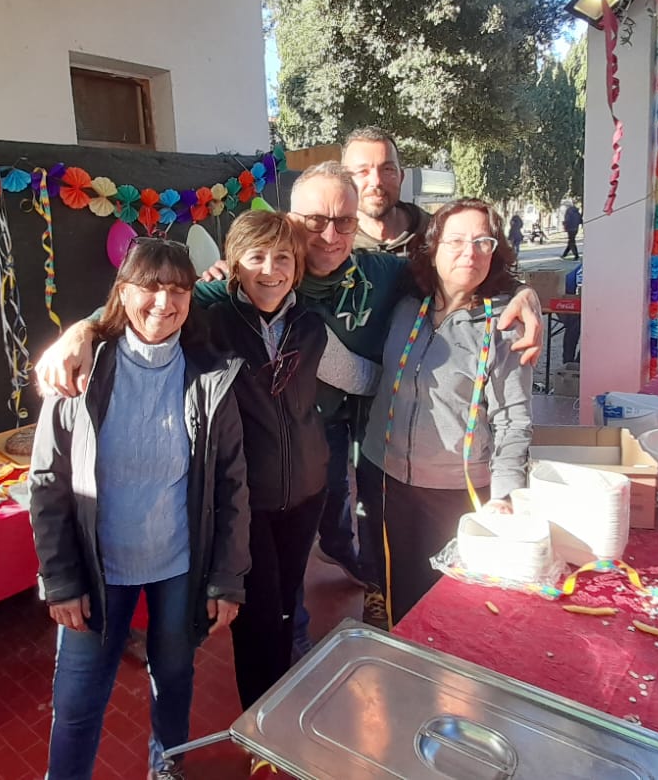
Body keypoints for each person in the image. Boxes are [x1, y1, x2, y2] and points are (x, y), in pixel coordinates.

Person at [35, 163, 545, 633]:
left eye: (344, 222)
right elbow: (151, 304)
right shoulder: (227, 295)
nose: (331, 235)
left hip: (341, 447)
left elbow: (457, 277)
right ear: (289, 222)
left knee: (429, 584)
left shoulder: (385, 277)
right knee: (293, 587)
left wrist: (522, 293)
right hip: (269, 464)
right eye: (316, 220)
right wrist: (83, 331)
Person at [29, 239, 250, 780]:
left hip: (177, 565)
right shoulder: (80, 372)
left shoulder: (210, 377)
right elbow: (48, 483)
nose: (163, 302)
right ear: (123, 293)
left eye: (177, 289)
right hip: (98, 572)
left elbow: (231, 485)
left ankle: (167, 761)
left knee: (173, 677)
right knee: (78, 700)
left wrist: (227, 577)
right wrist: (60, 580)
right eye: (149, 287)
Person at [359, 199, 533, 625]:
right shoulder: (404, 306)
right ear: (433, 247)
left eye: (482, 241)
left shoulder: (504, 324)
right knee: (397, 591)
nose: (469, 252)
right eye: (455, 241)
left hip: (458, 492)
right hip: (385, 479)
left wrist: (505, 496)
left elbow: (514, 420)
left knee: (456, 607)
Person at [203, 211, 328, 714]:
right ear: (234, 265)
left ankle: (284, 701)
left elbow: (357, 376)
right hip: (246, 501)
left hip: (306, 493)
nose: (270, 270)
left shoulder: (311, 325)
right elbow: (143, 308)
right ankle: (263, 721)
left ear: (297, 266)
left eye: (282, 257)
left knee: (286, 603)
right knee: (256, 616)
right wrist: (82, 334)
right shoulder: (211, 323)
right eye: (256, 257)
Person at [345, 126, 429, 255]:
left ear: (401, 177)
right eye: (362, 171)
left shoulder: (436, 234)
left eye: (387, 169)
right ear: (344, 180)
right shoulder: (333, 244)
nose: (376, 182)